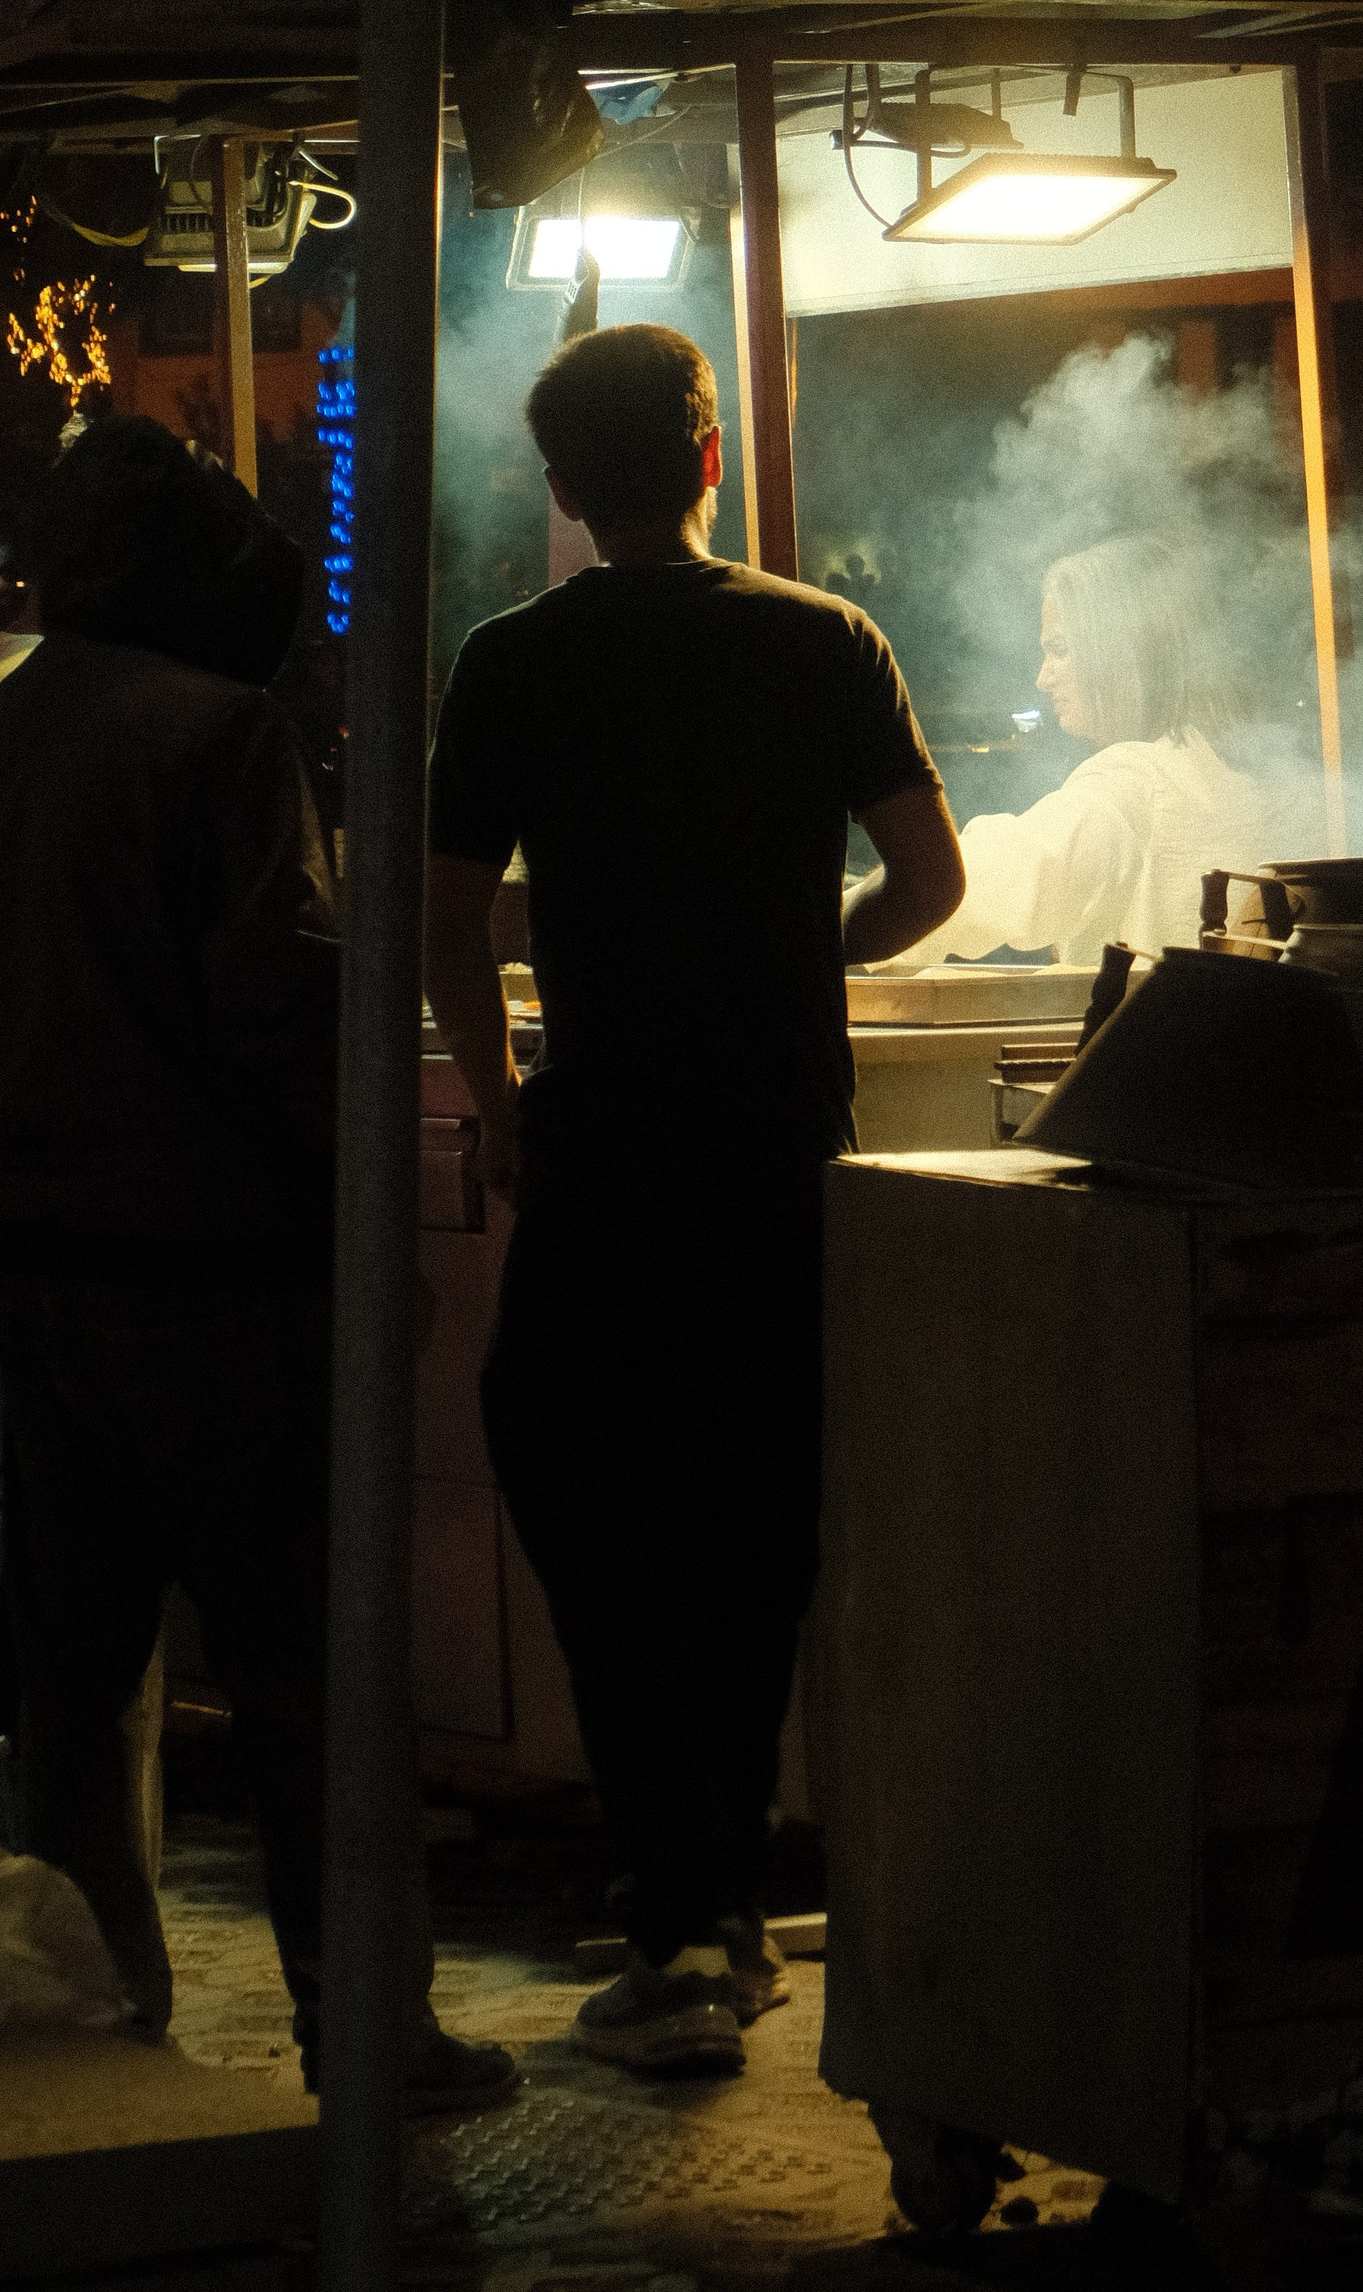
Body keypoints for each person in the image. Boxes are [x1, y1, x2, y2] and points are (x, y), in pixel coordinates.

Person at [422, 323, 963, 2080]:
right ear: (711, 458)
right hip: (780, 1150)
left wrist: (501, 1097)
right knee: (751, 1526)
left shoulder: (511, 661)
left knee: (585, 1495)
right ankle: (713, 1907)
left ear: (564, 488)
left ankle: (681, 1918)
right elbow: (931, 880)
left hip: (604, 1156)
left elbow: (443, 921)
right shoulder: (825, 639)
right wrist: (800, 957)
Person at [0, 415, 509, 2103]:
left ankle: (92, 2030)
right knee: (314, 1683)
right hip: (220, 1291)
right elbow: (290, 1016)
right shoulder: (216, 737)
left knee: (71, 1695)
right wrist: (376, 1240)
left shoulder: (13, 723)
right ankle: (368, 2031)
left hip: (35, 1289)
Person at [908, 533, 1299, 967]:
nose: (1042, 678)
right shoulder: (1245, 774)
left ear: (1122, 652)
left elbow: (957, 890)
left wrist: (853, 911)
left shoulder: (1134, 780)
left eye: (1059, 650)